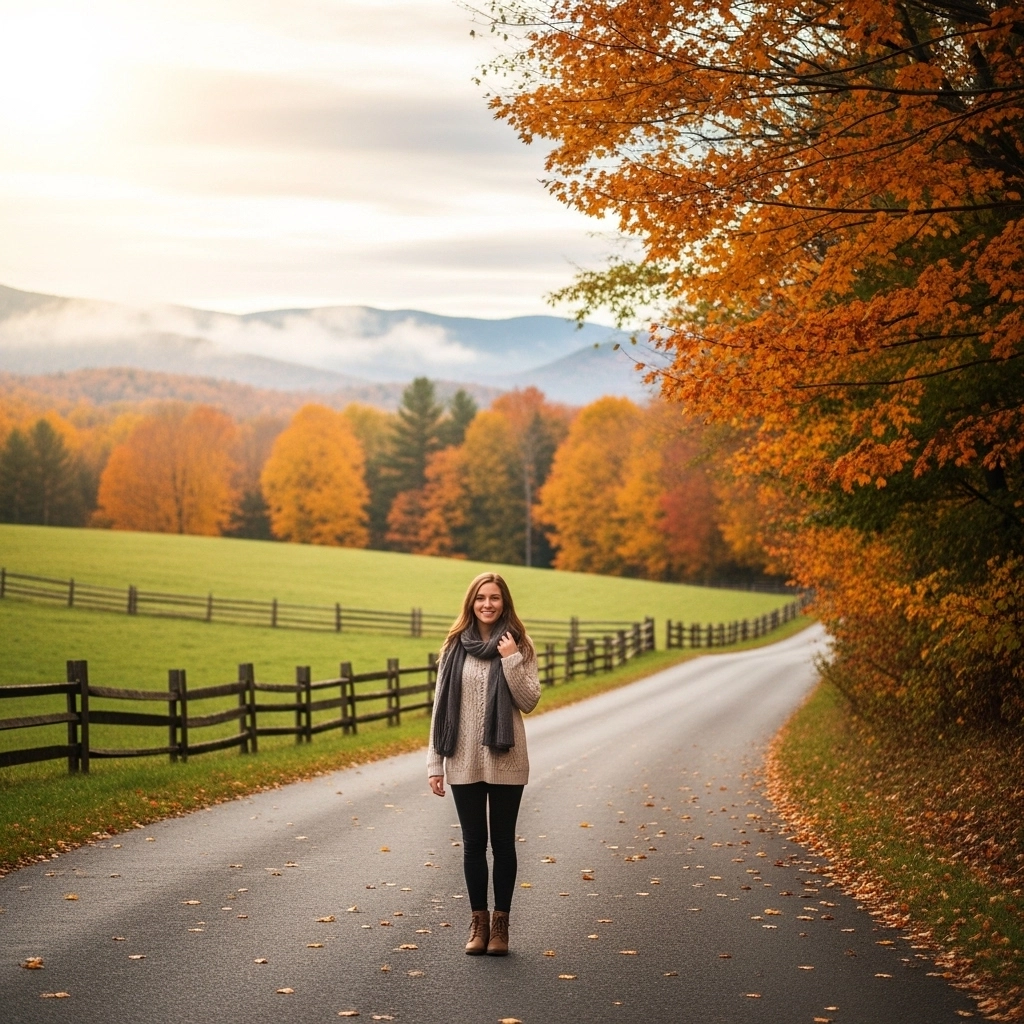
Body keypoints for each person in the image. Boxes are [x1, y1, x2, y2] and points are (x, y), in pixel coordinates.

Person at [427, 571, 541, 956]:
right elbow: (439, 709)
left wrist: (510, 661)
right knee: (474, 843)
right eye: (480, 598)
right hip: (462, 759)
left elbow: (528, 700)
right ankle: (478, 923)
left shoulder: (519, 644)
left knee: (503, 843)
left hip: (506, 758)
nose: (487, 604)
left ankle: (501, 927)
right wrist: (434, 764)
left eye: (494, 598)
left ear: (504, 602)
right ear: (471, 603)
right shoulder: (453, 647)